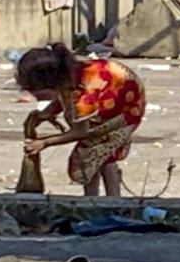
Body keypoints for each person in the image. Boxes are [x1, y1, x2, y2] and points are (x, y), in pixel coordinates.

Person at [16, 44, 148, 197]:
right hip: (112, 95)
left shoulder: (83, 95)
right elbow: (62, 96)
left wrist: (45, 142)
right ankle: (94, 198)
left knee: (96, 154)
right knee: (97, 155)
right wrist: (46, 113)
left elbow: (81, 131)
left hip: (124, 109)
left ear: (54, 83)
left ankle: (111, 198)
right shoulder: (71, 77)